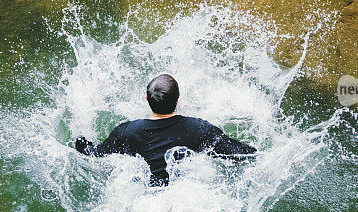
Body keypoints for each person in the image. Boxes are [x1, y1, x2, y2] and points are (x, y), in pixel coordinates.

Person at [74, 74, 257, 186]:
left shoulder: (126, 132)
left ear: (146, 99)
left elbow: (95, 153)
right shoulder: (200, 129)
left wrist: (79, 135)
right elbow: (242, 154)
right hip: (186, 193)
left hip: (145, 199)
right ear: (178, 100)